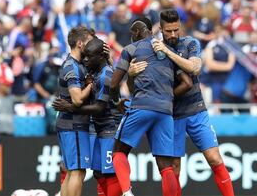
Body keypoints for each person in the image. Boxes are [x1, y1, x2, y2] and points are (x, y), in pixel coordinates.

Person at [151, 9, 235, 196]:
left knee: (215, 159)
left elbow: (195, 68)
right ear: (161, 30)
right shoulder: (153, 50)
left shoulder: (190, 43)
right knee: (174, 168)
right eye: (168, 31)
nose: (173, 34)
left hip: (196, 109)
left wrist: (167, 52)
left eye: (176, 30)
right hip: (172, 114)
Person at [110, 18, 191, 196]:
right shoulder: (168, 51)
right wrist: (166, 97)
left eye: (132, 34)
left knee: (118, 151)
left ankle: (126, 192)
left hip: (142, 106)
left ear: (138, 32)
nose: (131, 37)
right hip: (166, 111)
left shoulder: (131, 49)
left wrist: (116, 102)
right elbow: (187, 83)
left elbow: (113, 84)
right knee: (166, 167)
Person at [53, 38, 123, 196]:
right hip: (99, 130)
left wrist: (71, 107)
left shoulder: (106, 75)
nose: (85, 60)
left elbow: (99, 107)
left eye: (89, 57)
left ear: (99, 57)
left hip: (110, 130)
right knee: (97, 172)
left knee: (110, 174)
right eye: (85, 56)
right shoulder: (95, 71)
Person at [55, 26, 94, 196]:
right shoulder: (72, 67)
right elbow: (77, 99)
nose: (93, 46)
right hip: (74, 125)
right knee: (77, 171)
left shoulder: (75, 64)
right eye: (89, 43)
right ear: (80, 44)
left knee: (72, 171)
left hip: (69, 124)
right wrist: (91, 85)